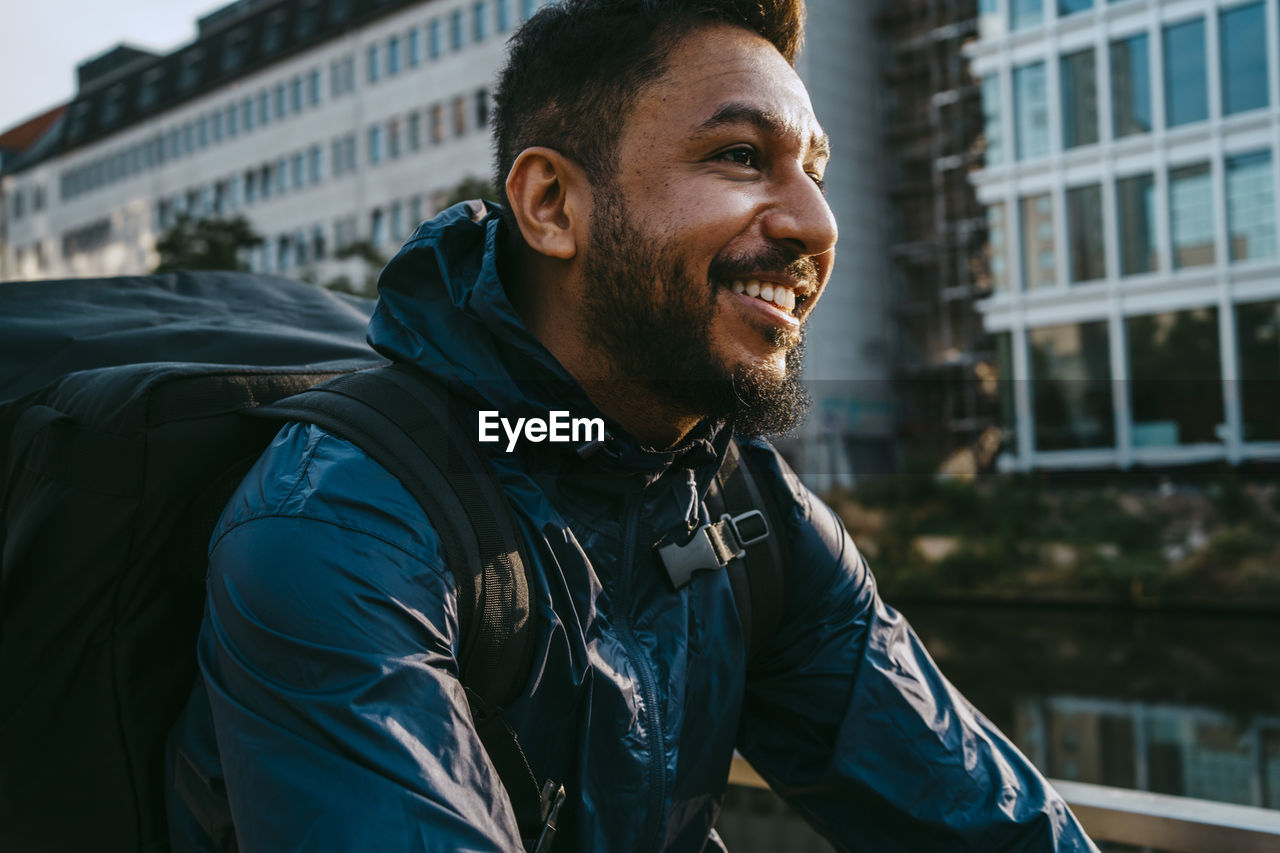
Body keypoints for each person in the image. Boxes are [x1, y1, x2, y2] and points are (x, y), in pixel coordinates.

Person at [167, 1, 1098, 850]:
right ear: (552, 206)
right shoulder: (343, 524)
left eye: (814, 171)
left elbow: (987, 819)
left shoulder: (744, 506)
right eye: (739, 156)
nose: (818, 223)